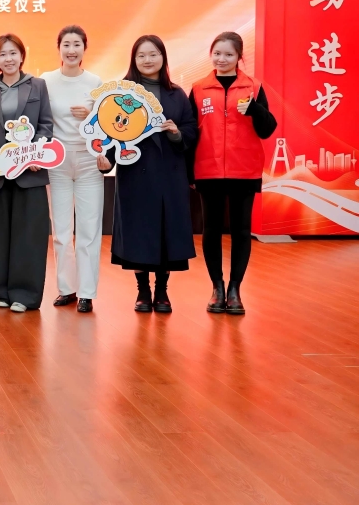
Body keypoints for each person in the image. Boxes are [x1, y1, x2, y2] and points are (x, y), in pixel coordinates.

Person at [97, 35, 197, 314]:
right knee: (138, 233)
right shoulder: (120, 94)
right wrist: (107, 161)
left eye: (153, 54)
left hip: (169, 174)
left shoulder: (177, 93)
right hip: (135, 175)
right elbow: (111, 131)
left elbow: (191, 129)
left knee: (166, 232)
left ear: (163, 57)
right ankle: (142, 290)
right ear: (134, 60)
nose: (147, 60)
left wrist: (177, 133)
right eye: (141, 55)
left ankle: (162, 290)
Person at [190, 31, 276, 315]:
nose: (222, 59)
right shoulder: (199, 88)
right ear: (211, 55)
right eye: (217, 53)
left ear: (239, 56)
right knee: (211, 230)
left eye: (228, 54)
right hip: (208, 169)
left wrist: (255, 110)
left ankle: (235, 289)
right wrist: (189, 172)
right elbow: (191, 132)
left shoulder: (254, 87)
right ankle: (217, 288)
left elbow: (267, 129)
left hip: (244, 169)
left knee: (240, 231)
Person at [0, 34, 54, 312]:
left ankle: (25, 295)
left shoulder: (38, 86)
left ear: (22, 56)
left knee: (29, 235)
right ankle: (1, 291)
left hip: (30, 173)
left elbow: (45, 125)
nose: (8, 59)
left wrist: (35, 154)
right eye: (2, 54)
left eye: (13, 53)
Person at [41, 26, 103, 313]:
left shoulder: (95, 82)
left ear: (84, 48)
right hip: (57, 161)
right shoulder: (46, 81)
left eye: (77, 44)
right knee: (61, 231)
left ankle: (87, 292)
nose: (71, 50)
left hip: (89, 161)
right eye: (66, 44)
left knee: (89, 230)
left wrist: (92, 115)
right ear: (59, 48)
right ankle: (67, 289)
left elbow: (107, 124)